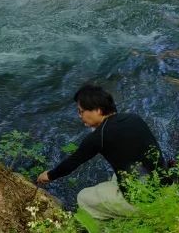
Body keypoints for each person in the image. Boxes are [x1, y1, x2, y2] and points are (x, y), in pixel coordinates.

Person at [35, 84, 164, 220]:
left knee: (83, 197)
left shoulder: (98, 137)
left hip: (144, 202)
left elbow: (72, 163)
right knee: (118, 175)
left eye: (81, 111)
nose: (79, 116)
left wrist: (48, 175)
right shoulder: (134, 118)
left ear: (98, 110)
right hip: (165, 188)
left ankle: (108, 226)